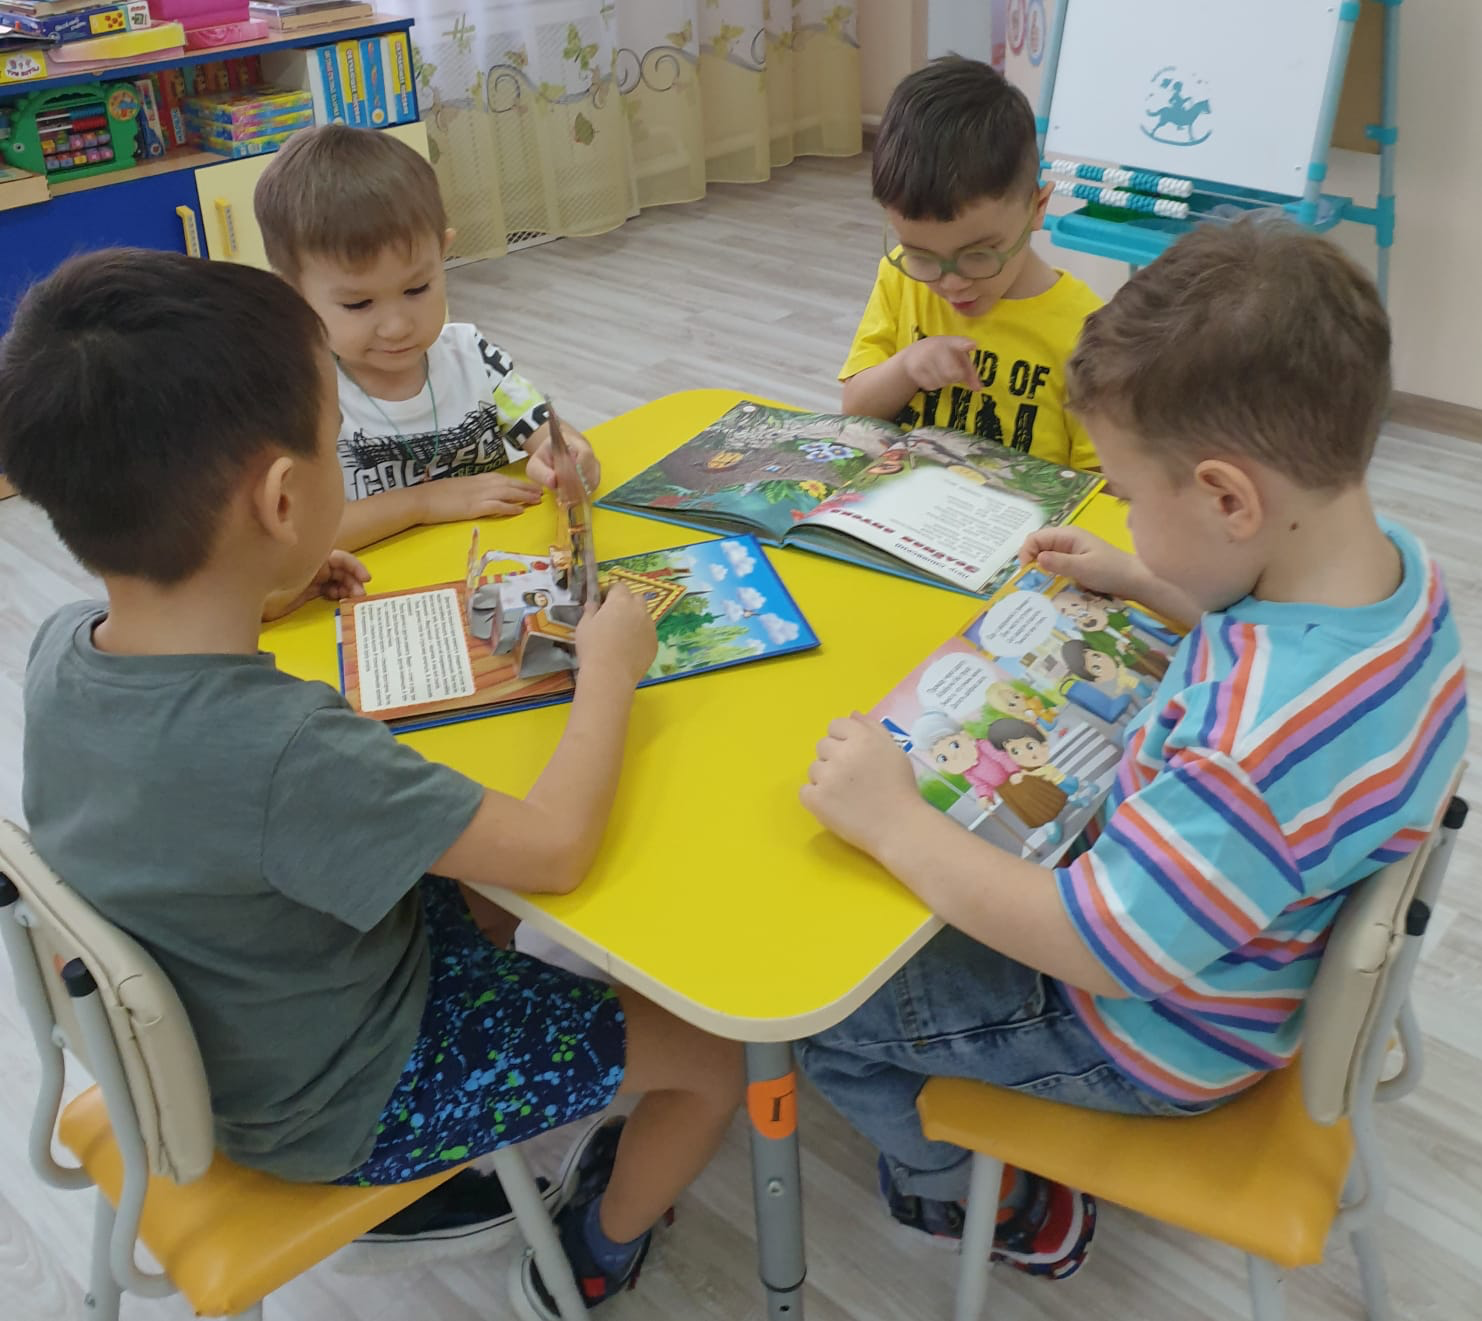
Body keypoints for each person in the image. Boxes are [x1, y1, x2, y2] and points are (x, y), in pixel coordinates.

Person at [0, 250, 742, 1316]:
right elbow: (556, 849)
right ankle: (594, 1249)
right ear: (284, 497)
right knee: (717, 1055)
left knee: (474, 874)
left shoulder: (64, 645)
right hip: (335, 1100)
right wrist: (611, 671)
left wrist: (269, 586)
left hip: (239, 1014)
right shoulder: (286, 748)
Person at [796, 219, 1466, 1282]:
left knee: (821, 1008)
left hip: (1149, 1032)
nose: (1128, 519)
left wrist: (893, 822)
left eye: (1131, 497)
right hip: (1236, 950)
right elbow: (1269, 663)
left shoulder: (1254, 749)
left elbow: (1103, 946)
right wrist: (1151, 581)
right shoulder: (1397, 579)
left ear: (1229, 498)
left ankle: (992, 1201)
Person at [253, 124, 599, 554]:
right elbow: (304, 535)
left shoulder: (472, 357)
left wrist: (568, 457)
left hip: (494, 564)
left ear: (442, 253)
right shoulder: (304, 398)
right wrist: (423, 503)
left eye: (417, 289)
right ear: (293, 292)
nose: (397, 326)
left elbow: (546, 431)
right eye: (359, 304)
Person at [839, 56, 1102, 468]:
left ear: (1038, 207)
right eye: (921, 256)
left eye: (978, 255)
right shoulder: (900, 278)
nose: (952, 283)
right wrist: (907, 367)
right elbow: (855, 410)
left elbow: (1100, 481)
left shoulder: (1090, 333)